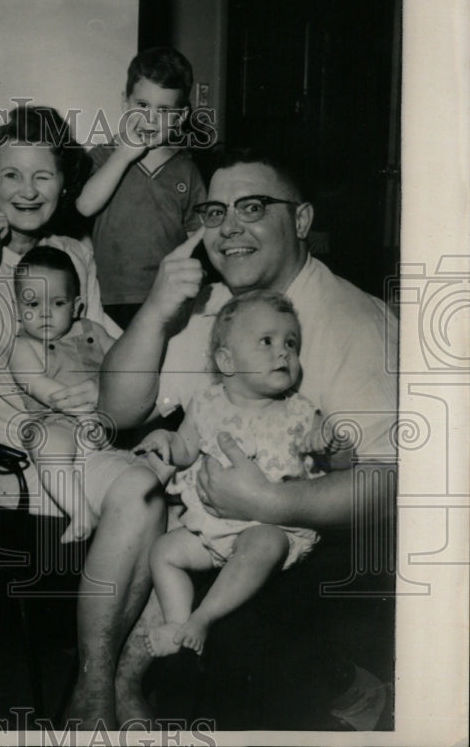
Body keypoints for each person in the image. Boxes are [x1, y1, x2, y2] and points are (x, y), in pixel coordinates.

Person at [81, 148, 397, 729]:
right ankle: (101, 695)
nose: (228, 228)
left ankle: (108, 698)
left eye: (252, 207)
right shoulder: (217, 303)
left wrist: (270, 503)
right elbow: (117, 410)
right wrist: (153, 311)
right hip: (212, 510)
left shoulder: (351, 322)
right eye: (213, 211)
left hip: (313, 533)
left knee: (231, 646)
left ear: (300, 222)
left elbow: (391, 482)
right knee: (140, 504)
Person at [0, 105, 165, 721]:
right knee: (138, 495)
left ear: (64, 184)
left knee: (160, 490)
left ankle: (104, 684)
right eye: (11, 175)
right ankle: (98, 694)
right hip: (7, 455)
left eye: (44, 176)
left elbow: (99, 343)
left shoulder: (73, 254)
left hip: (80, 436)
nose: (27, 192)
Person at [135, 290, 349, 657]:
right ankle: (176, 620)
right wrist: (166, 443)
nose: (283, 352)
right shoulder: (206, 402)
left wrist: (326, 439)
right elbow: (186, 448)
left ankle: (203, 617)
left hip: (271, 529)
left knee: (263, 543)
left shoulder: (300, 412)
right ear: (227, 360)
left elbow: (342, 456)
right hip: (211, 529)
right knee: (164, 551)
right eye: (267, 341)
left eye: (291, 343)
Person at [76, 47, 206, 329]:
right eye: (142, 106)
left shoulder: (187, 170)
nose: (150, 119)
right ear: (125, 103)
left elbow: (198, 234)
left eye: (164, 111)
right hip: (108, 296)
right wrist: (123, 155)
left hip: (166, 295)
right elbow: (85, 205)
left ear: (180, 117)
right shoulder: (105, 156)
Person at [9, 246, 116, 543]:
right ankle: (80, 511)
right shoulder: (22, 347)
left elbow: (121, 362)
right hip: (57, 421)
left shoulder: (91, 329)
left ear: (76, 306)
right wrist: (83, 414)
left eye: (57, 303)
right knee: (46, 446)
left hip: (108, 413)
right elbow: (39, 385)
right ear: (17, 308)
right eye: (32, 303)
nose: (44, 313)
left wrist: (108, 400)